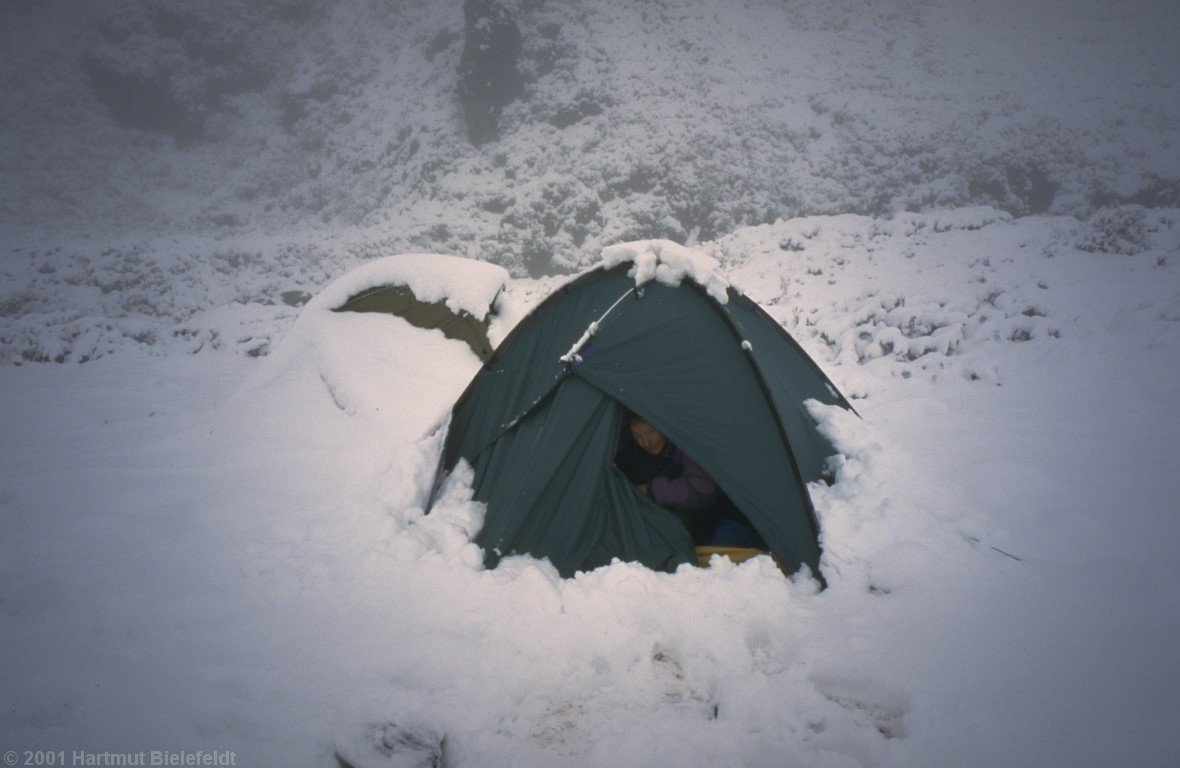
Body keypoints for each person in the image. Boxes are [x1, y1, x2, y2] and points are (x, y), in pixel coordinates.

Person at [614, 413, 765, 549]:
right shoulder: (631, 453)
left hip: (701, 520)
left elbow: (703, 489)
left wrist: (650, 490)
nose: (646, 441)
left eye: (651, 432)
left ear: (661, 427)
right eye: (638, 436)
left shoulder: (681, 449)